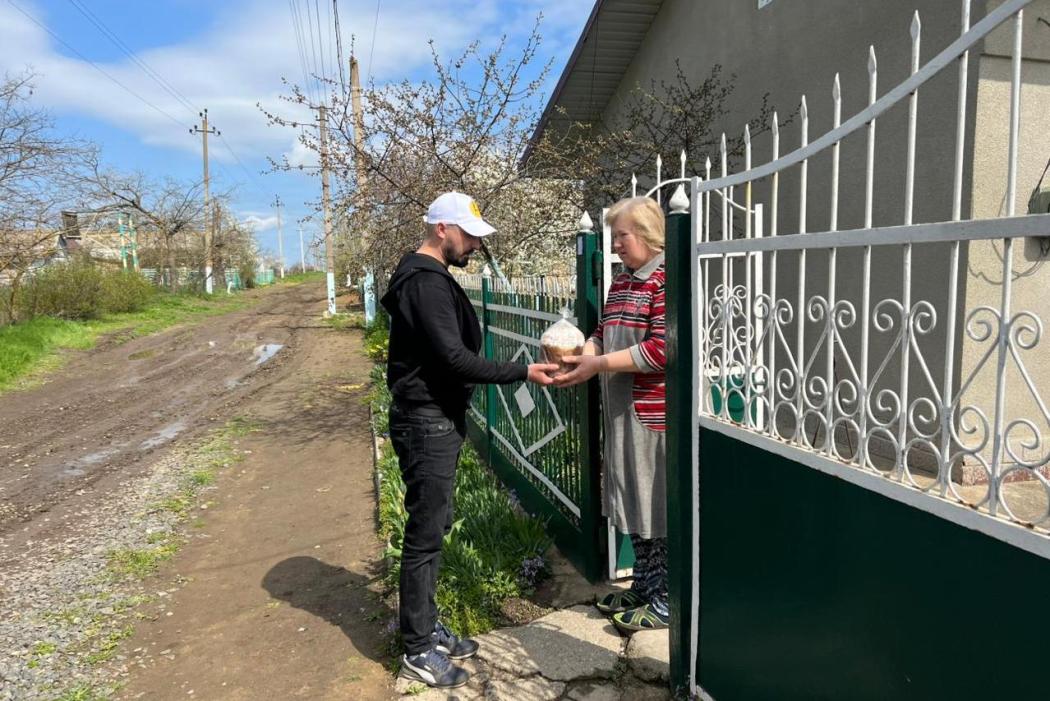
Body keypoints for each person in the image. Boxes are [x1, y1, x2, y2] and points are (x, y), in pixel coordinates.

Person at [380, 191, 557, 689]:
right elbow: (453, 359)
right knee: (425, 532)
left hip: (434, 416)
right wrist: (524, 371)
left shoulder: (427, 277)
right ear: (442, 230)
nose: (475, 245)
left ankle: (425, 624)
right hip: (426, 420)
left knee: (434, 526)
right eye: (469, 235)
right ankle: (417, 647)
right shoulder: (426, 284)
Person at [555, 196, 668, 633]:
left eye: (622, 235)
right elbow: (603, 330)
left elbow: (661, 351)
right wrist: (587, 350)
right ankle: (644, 584)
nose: (616, 244)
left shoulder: (664, 281)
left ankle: (664, 599)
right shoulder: (623, 282)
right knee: (632, 502)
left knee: (655, 506)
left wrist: (598, 365)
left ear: (647, 234)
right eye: (615, 236)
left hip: (651, 414)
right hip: (620, 410)